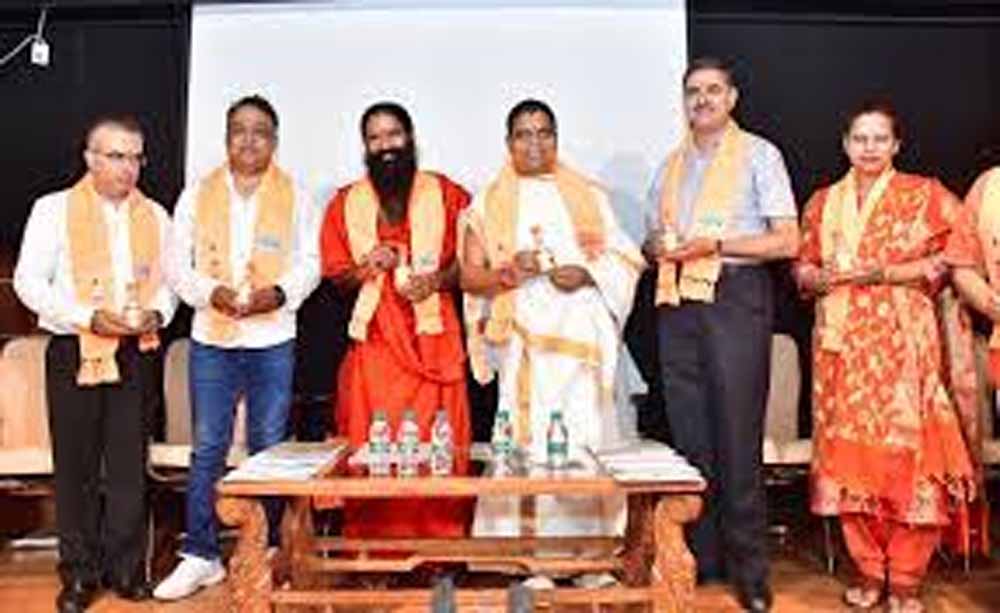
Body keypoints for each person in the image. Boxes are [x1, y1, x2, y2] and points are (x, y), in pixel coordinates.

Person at [795, 99, 976, 613]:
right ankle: (870, 571)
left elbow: (956, 257)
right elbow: (802, 266)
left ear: (897, 145)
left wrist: (886, 273)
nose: (869, 148)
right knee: (850, 460)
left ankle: (907, 578)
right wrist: (812, 276)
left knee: (910, 454)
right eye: (860, 138)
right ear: (845, 145)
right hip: (841, 347)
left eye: (879, 139)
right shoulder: (823, 202)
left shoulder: (926, 194)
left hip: (903, 344)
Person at [461, 99, 645, 588]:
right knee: (531, 446)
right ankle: (535, 561)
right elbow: (469, 276)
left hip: (582, 345)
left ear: (556, 139)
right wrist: (508, 271)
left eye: (544, 132)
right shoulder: (488, 201)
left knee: (585, 443)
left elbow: (627, 258)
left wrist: (586, 272)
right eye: (524, 134)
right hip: (525, 347)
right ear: (509, 143)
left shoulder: (588, 195)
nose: (535, 143)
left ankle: (591, 560)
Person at [643, 57, 800, 612]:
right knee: (691, 438)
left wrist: (717, 245)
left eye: (713, 90)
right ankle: (704, 559)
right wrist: (656, 248)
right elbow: (652, 240)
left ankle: (750, 572)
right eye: (693, 91)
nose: (702, 100)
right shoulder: (670, 166)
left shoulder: (759, 155)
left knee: (736, 436)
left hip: (735, 297)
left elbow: (787, 241)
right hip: (677, 302)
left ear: (732, 98)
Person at [155, 95, 320, 600]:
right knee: (209, 446)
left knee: (268, 446)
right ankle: (201, 554)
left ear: (275, 140)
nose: (249, 140)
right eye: (239, 130)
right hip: (214, 336)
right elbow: (176, 265)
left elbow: (311, 261)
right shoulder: (197, 194)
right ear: (227, 138)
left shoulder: (297, 195)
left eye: (260, 131)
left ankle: (265, 550)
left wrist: (280, 294)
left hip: (272, 336)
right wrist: (212, 294)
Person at [14, 114, 177, 612]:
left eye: (136, 157)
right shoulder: (53, 210)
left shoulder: (155, 215)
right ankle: (79, 575)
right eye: (116, 156)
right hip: (75, 348)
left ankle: (125, 570)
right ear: (90, 158)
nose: (128, 168)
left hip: (136, 350)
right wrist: (88, 317)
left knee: (129, 466)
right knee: (77, 467)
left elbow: (169, 283)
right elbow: (28, 282)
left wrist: (158, 312)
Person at [320, 102, 472, 538]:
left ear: (410, 138)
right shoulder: (345, 203)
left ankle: (440, 548)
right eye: (375, 138)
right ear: (365, 147)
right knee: (376, 443)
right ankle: (375, 547)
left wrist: (437, 280)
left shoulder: (447, 194)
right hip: (376, 345)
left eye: (393, 134)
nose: (385, 145)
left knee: (437, 443)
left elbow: (473, 263)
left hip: (434, 340)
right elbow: (337, 277)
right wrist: (366, 266)